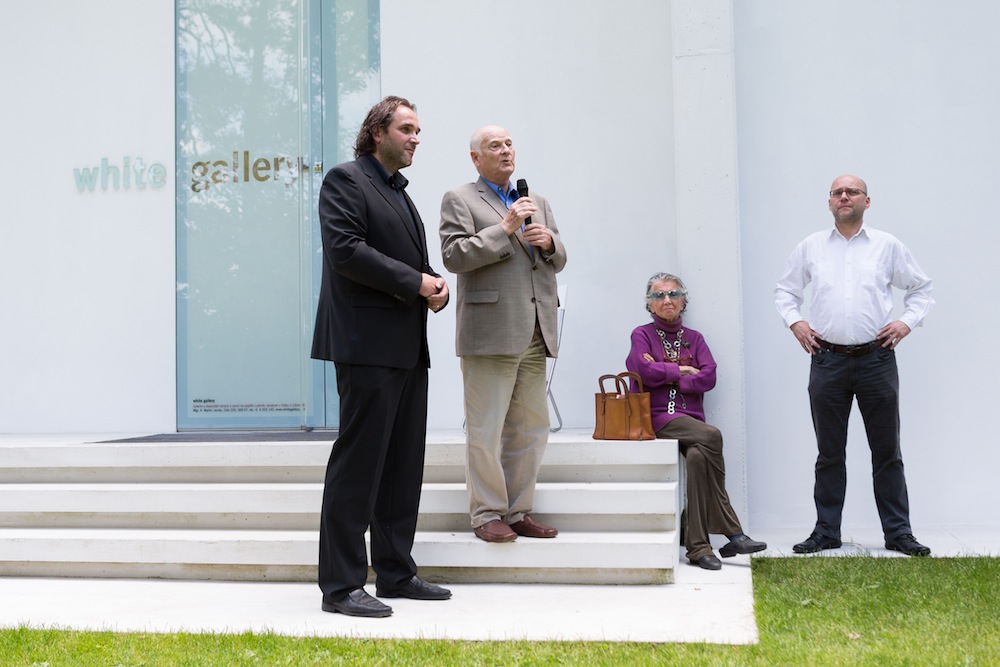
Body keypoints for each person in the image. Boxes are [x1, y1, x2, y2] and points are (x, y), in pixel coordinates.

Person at [311, 96, 452, 618]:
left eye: (418, 131)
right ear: (377, 132)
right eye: (407, 129)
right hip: (365, 346)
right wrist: (417, 282)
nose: (416, 138)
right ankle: (340, 586)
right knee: (359, 465)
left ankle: (395, 572)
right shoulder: (346, 180)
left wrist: (434, 286)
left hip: (407, 348)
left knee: (401, 465)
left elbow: (411, 262)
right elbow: (345, 250)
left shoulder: (399, 193)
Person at [774, 174, 934, 557]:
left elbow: (921, 288)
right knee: (829, 453)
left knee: (887, 451)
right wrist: (796, 322)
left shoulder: (887, 246)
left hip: (876, 359)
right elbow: (785, 291)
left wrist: (906, 322)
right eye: (837, 192)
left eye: (852, 191)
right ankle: (826, 531)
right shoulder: (811, 247)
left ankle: (898, 533)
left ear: (866, 201)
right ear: (830, 202)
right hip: (827, 360)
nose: (844, 196)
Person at [439, 125, 567, 543]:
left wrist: (549, 242)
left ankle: (517, 510)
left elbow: (559, 258)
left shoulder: (537, 201)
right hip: (490, 332)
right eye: (495, 146)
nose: (506, 150)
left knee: (532, 429)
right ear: (476, 158)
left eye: (509, 143)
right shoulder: (460, 198)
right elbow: (454, 256)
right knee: (486, 430)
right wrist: (505, 227)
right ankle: (487, 513)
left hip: (535, 330)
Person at [626, 272, 766, 570]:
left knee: (699, 458)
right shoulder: (642, 335)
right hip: (655, 417)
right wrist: (683, 370)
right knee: (712, 436)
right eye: (659, 295)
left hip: (690, 420)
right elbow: (641, 370)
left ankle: (698, 548)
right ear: (649, 303)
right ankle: (734, 533)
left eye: (674, 294)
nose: (667, 300)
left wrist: (665, 371)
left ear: (683, 300)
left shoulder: (695, 338)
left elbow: (709, 376)